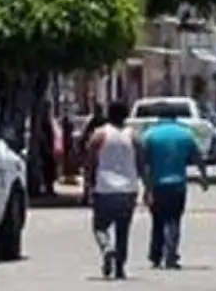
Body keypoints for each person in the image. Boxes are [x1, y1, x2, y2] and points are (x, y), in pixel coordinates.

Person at [84, 101, 143, 279]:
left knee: (100, 227)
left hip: (104, 188)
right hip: (128, 189)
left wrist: (88, 184)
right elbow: (141, 161)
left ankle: (107, 248)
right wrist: (147, 186)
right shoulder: (133, 136)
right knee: (123, 230)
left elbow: (90, 162)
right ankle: (120, 268)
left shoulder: (99, 135)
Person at [141, 110, 204, 269]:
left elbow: (145, 163)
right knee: (174, 220)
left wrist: (146, 187)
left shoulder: (149, 134)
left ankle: (156, 255)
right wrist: (203, 177)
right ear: (175, 118)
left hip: (157, 185)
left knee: (157, 220)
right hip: (177, 184)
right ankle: (171, 254)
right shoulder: (185, 134)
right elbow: (197, 157)